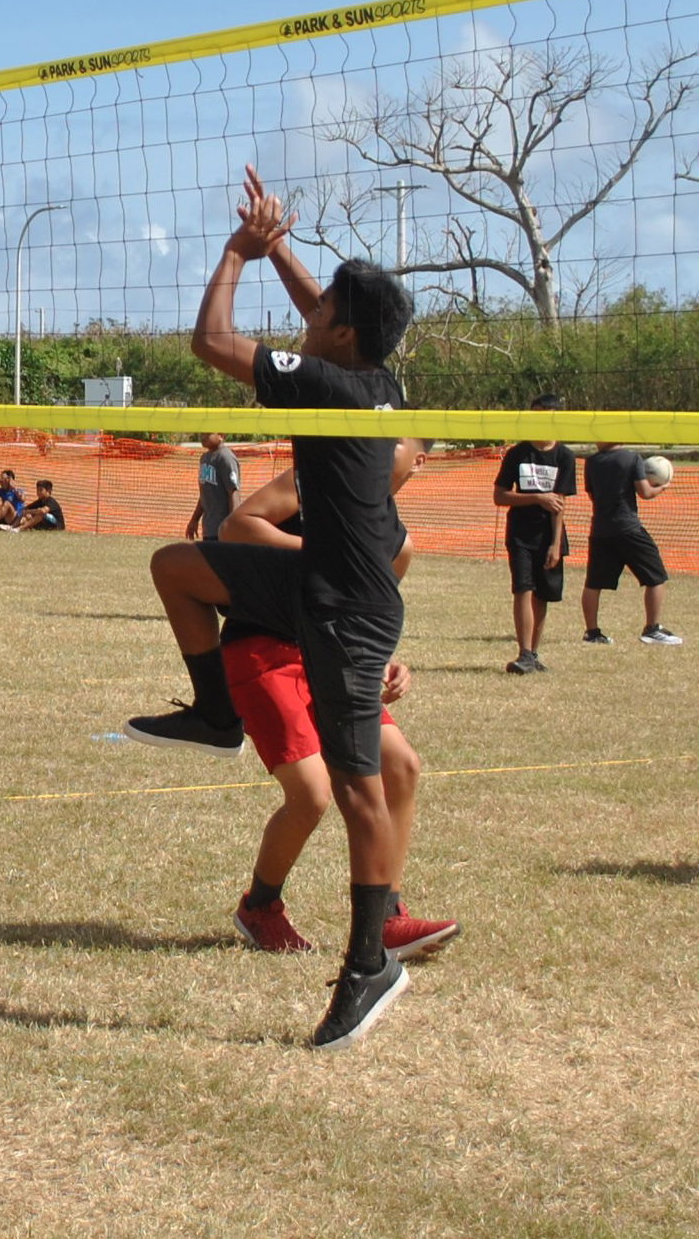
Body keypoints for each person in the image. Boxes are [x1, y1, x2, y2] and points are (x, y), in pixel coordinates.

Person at [125, 164, 416, 1051]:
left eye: (321, 308)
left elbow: (210, 339)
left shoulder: (326, 387)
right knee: (176, 562)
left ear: (342, 332)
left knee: (360, 790)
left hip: (339, 609)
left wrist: (237, 252)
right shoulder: (380, 383)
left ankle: (371, 962)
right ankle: (216, 712)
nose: (309, 312)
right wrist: (285, 246)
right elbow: (326, 318)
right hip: (334, 591)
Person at [218, 439, 459, 959]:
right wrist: (327, 556)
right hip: (263, 647)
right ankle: (259, 907)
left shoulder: (397, 543)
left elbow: (367, 616)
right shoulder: (318, 479)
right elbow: (235, 527)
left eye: (393, 440)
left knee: (402, 767)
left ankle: (387, 919)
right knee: (311, 793)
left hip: (330, 659)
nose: (375, 443)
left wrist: (389, 663)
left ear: (419, 460)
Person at [494, 395, 576, 673]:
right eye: (535, 415)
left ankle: (534, 654)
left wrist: (556, 543)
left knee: (543, 595)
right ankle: (524, 653)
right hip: (520, 535)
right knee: (523, 590)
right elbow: (500, 495)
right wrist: (537, 498)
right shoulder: (518, 454)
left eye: (546, 415)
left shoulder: (564, 456)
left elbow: (560, 504)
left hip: (549, 537)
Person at [581, 444, 681, 646]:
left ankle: (592, 632)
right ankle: (652, 629)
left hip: (600, 529)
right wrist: (662, 487)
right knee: (656, 576)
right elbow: (644, 492)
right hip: (628, 528)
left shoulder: (591, 461)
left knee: (593, 583)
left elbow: (592, 495)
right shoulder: (631, 458)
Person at [186, 432, 241, 540]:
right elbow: (204, 495)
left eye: (208, 433)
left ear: (221, 435)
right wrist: (194, 519)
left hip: (223, 529)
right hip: (209, 528)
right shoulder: (204, 458)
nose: (203, 435)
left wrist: (232, 525)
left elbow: (233, 492)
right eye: (202, 432)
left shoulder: (225, 457)